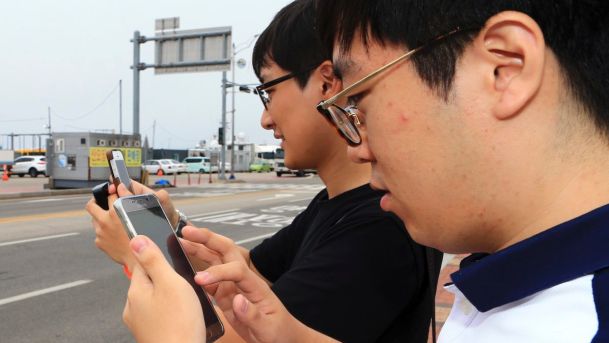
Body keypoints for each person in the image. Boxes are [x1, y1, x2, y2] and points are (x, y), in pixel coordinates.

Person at [118, 0, 609, 342]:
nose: (357, 147)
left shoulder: (583, 320)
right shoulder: (523, 285)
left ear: (506, 68)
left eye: (357, 102)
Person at [87, 1, 441, 342]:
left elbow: (228, 336)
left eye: (268, 91)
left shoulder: (376, 227)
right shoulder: (334, 204)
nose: (266, 118)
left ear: (327, 84)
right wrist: (171, 228)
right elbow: (253, 271)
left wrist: (138, 252)